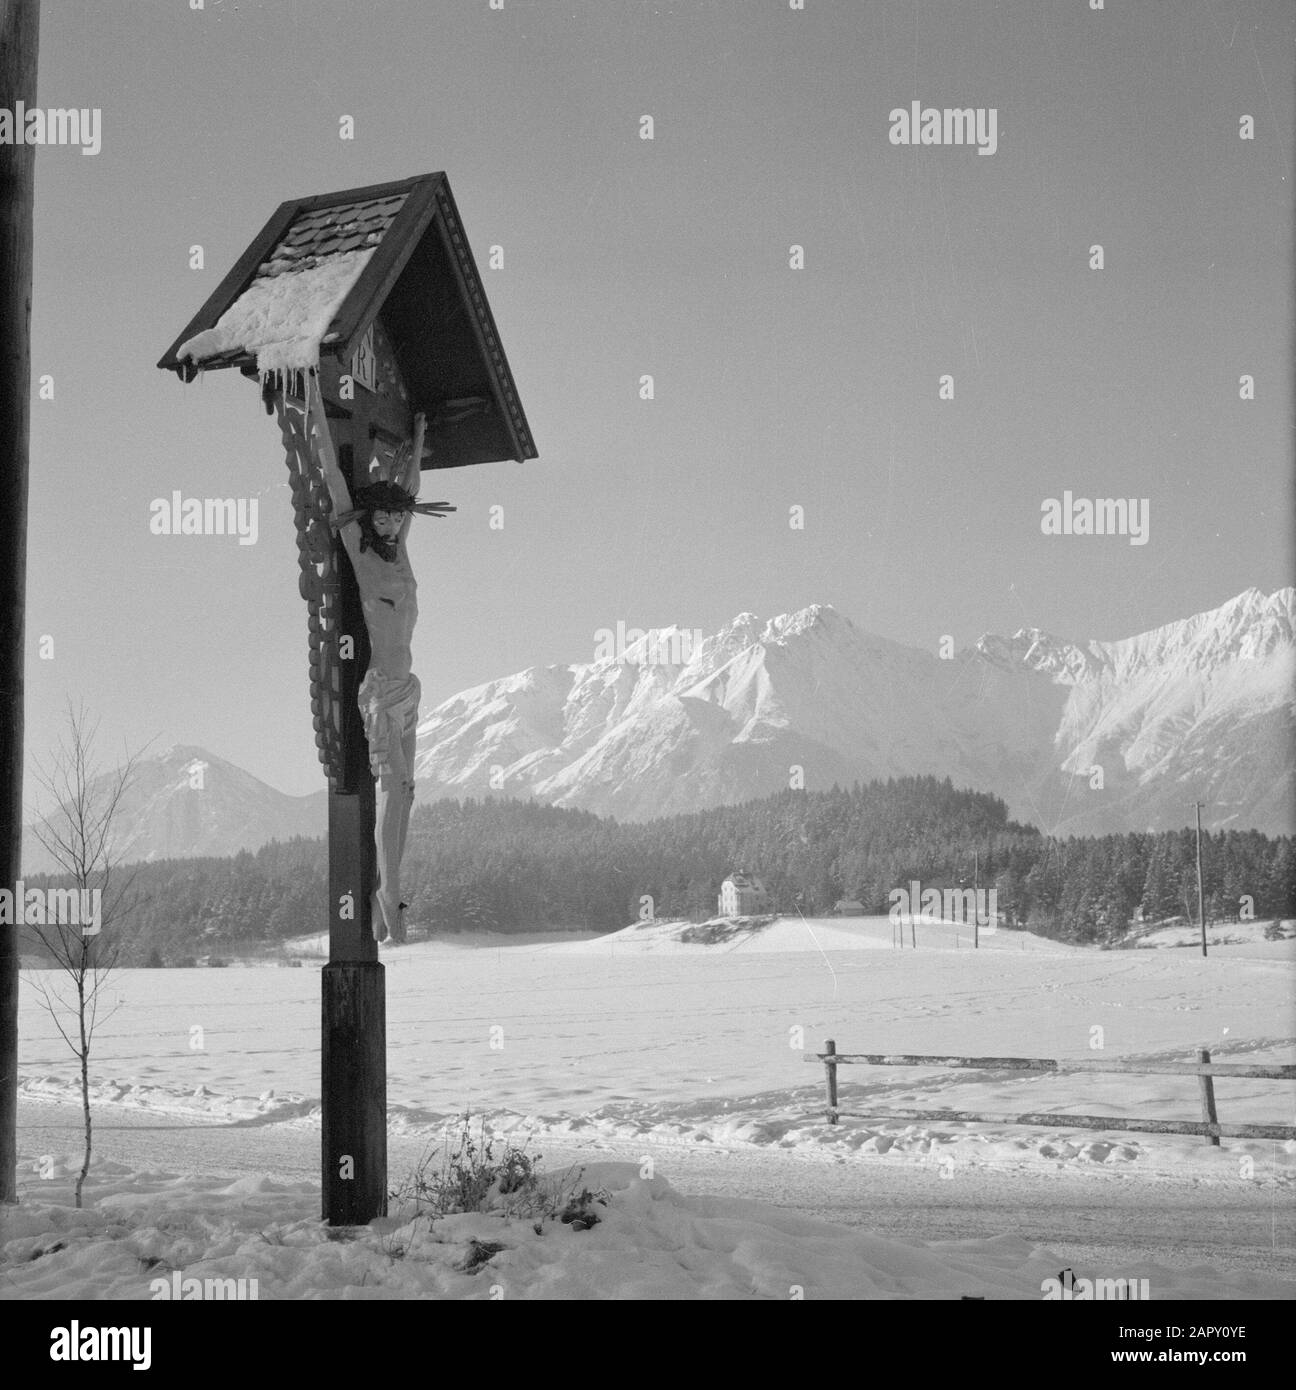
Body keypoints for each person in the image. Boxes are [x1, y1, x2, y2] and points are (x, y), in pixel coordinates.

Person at [303, 376, 453, 942]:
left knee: (408, 792)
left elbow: (410, 485)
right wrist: (315, 405)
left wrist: (417, 436)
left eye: (396, 516)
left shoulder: (401, 551)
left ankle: (391, 886)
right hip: (379, 690)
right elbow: (335, 477)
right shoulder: (363, 555)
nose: (390, 522)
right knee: (392, 790)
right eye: (382, 516)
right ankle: (385, 893)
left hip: (409, 688)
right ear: (369, 519)